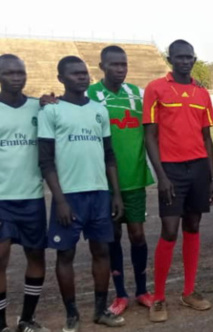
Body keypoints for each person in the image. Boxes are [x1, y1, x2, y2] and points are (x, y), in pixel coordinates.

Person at [39, 56, 125, 330]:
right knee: (65, 255)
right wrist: (60, 199)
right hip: (70, 197)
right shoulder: (50, 111)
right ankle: (72, 315)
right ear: (61, 78)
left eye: (85, 73)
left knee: (101, 251)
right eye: (75, 74)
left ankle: (100, 311)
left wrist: (116, 194)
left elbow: (109, 155)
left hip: (99, 194)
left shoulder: (99, 110)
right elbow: (46, 160)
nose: (82, 77)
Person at [142, 40, 213, 322]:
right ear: (170, 58)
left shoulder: (201, 92)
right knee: (170, 229)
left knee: (193, 224)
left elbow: (206, 137)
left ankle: (188, 292)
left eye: (189, 57)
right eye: (179, 57)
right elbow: (149, 135)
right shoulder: (156, 88)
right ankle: (159, 297)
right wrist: (160, 176)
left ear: (194, 60)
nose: (185, 61)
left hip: (198, 168)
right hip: (171, 169)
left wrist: (211, 178)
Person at [85, 45, 155, 316]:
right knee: (112, 236)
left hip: (134, 178)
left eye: (124, 64)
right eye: (114, 65)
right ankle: (120, 294)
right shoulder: (89, 95)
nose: (120, 69)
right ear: (101, 66)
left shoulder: (137, 95)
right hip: (103, 182)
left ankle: (141, 290)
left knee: (137, 234)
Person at [0, 54, 49, 332]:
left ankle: (27, 320)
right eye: (9, 73)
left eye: (21, 72)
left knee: (36, 256)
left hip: (32, 197)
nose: (17, 77)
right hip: (1, 199)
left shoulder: (38, 107)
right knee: (1, 258)